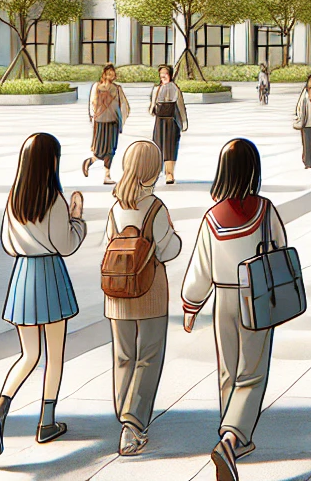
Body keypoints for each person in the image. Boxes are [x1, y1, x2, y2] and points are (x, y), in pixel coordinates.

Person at [182, 139, 289, 481]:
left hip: (223, 300)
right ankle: (232, 439)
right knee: (253, 371)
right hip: (256, 296)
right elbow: (281, 249)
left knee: (228, 369)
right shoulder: (265, 210)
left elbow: (201, 267)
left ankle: (232, 435)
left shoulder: (212, 218)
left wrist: (191, 305)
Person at [0, 132, 86, 456]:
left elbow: (5, 241)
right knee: (53, 355)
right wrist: (77, 218)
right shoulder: (54, 200)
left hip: (23, 277)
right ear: (51, 161)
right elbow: (66, 245)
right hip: (50, 277)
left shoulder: (15, 196)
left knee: (29, 355)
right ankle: (47, 422)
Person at [103, 140, 181, 456]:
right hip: (149, 291)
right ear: (152, 170)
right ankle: (133, 425)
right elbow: (169, 248)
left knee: (123, 355)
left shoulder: (116, 207)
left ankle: (122, 411)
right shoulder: (156, 208)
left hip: (116, 293)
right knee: (148, 355)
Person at [85, 64, 131, 185]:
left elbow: (124, 106)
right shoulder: (100, 87)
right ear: (104, 74)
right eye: (109, 73)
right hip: (104, 121)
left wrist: (121, 121)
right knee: (104, 149)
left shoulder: (115, 88)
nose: (111, 76)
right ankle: (94, 165)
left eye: (113, 73)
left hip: (108, 121)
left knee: (107, 149)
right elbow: (92, 103)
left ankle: (102, 171)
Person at [149, 64, 188, 185]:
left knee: (170, 147)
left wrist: (184, 122)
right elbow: (152, 105)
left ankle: (169, 173)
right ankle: (156, 172)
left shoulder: (175, 88)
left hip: (172, 121)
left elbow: (181, 106)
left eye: (165, 73)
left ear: (170, 75)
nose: (163, 76)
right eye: (161, 73)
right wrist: (152, 109)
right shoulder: (157, 88)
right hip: (160, 121)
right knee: (158, 145)